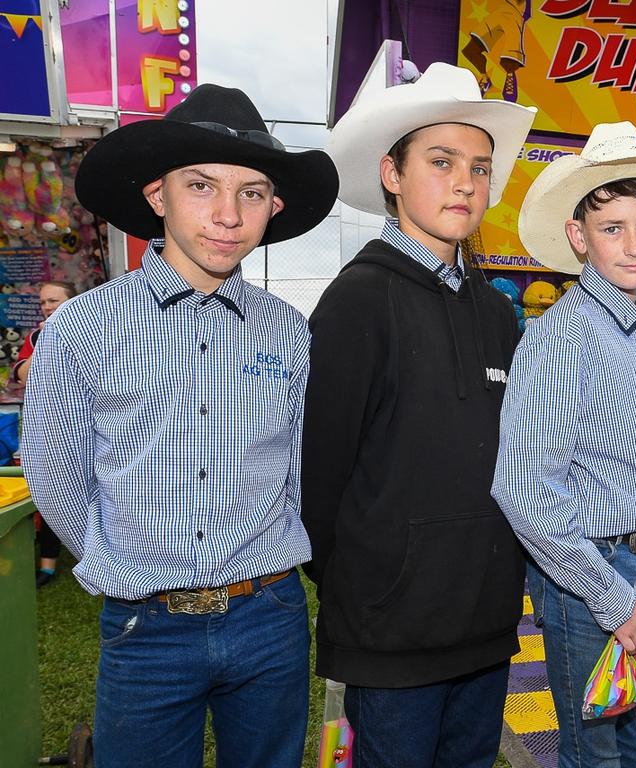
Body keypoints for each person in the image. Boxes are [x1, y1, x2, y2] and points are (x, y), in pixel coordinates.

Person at [21, 84, 338, 767]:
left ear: (274, 207)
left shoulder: (286, 331)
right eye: (201, 186)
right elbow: (54, 472)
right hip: (147, 624)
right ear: (157, 196)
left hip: (269, 617)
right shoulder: (82, 328)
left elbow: (299, 466)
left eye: (252, 192)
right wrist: (118, 562)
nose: (228, 214)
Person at [304, 63, 536, 768]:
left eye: (480, 167)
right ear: (393, 175)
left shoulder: (499, 313)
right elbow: (318, 474)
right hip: (391, 632)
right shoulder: (357, 302)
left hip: (485, 620)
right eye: (441, 162)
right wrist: (372, 584)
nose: (466, 182)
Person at [492, 121, 636, 768]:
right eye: (612, 228)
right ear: (579, 237)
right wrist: (611, 598)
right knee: (598, 753)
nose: (634, 244)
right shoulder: (562, 337)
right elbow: (523, 486)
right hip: (587, 574)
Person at [12, 280, 77, 586]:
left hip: (81, 427)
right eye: (43, 302)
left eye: (54, 300)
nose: (48, 307)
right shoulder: (38, 336)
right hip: (44, 426)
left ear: (75, 301)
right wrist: (49, 342)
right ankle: (44, 563)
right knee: (45, 490)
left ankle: (63, 561)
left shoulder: (91, 330)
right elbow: (21, 372)